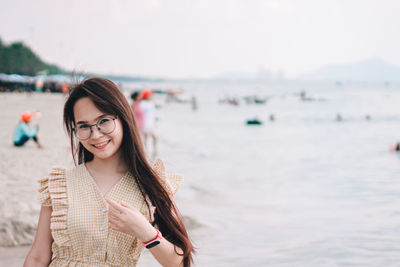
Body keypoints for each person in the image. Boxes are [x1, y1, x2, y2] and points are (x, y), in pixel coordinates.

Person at [24, 78, 194, 267]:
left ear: (124, 118)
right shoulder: (59, 184)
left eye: (104, 121)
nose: (95, 135)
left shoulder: (152, 184)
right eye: (84, 126)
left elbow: (179, 262)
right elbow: (38, 258)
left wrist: (146, 232)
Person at [139, 89, 158, 158]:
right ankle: (146, 152)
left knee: (155, 137)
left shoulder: (151, 103)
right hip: (145, 124)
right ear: (146, 96)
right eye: (149, 95)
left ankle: (154, 150)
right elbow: (140, 115)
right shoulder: (142, 104)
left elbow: (153, 114)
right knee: (146, 138)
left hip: (151, 123)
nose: (151, 96)